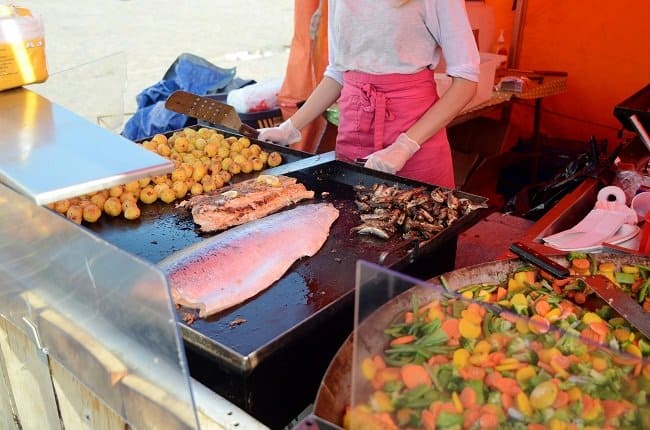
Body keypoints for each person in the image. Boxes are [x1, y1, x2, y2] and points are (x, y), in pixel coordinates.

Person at [258, 0, 480, 189]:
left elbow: (466, 80)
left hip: (416, 136)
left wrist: (405, 146)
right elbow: (338, 72)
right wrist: (290, 128)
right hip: (354, 133)